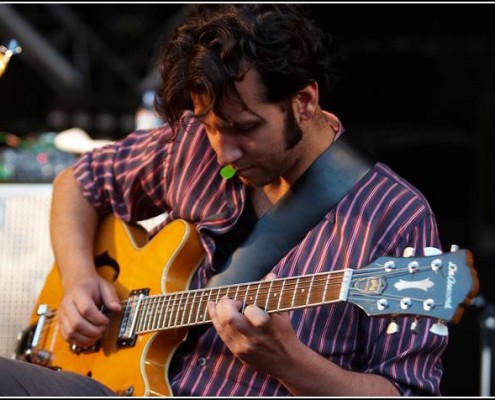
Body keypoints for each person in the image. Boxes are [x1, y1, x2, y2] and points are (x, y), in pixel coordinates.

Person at [0, 4, 448, 396]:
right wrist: (79, 278)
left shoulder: (395, 215)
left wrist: (290, 363)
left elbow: (404, 392)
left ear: (304, 101)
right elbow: (77, 183)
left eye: (245, 128)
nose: (223, 150)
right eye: (210, 124)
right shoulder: (194, 142)